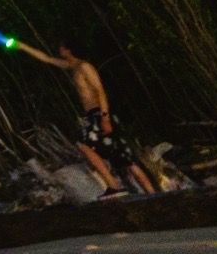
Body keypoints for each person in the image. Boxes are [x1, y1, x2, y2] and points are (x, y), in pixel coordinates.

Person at [15, 40, 156, 196]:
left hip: (100, 113)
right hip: (93, 115)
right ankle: (146, 193)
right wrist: (21, 46)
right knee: (123, 159)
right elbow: (46, 59)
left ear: (69, 50)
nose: (59, 49)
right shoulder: (72, 67)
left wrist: (105, 118)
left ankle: (117, 186)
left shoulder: (84, 67)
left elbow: (100, 91)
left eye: (62, 47)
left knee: (86, 146)